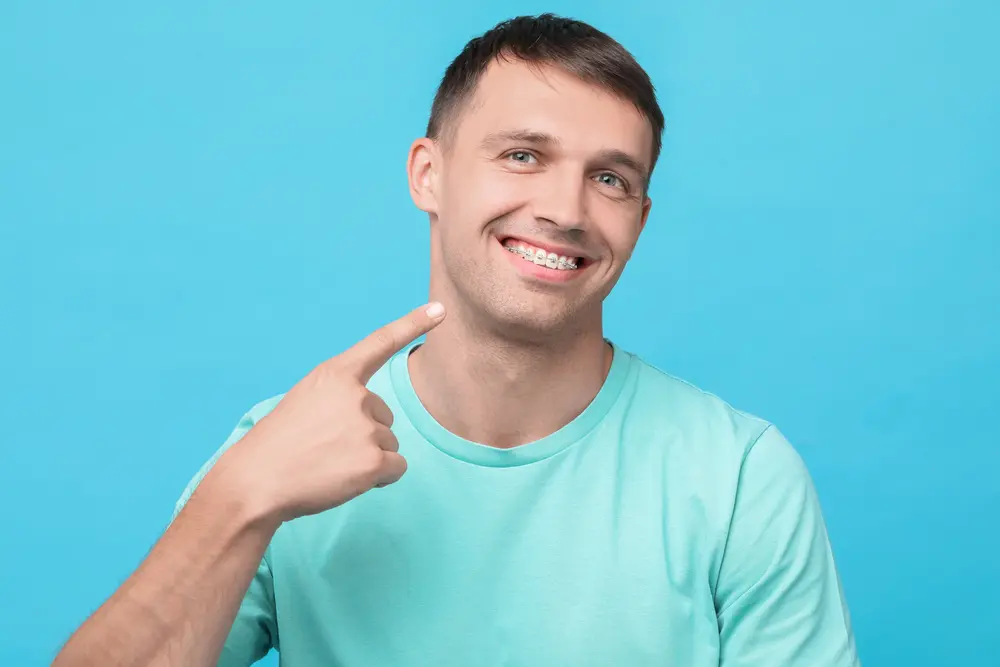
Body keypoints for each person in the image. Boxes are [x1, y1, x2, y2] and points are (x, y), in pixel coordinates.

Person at [53, 13, 859, 667]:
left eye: (610, 178)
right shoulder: (284, 449)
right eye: (522, 155)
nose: (567, 209)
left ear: (640, 219)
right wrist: (241, 498)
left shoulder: (740, 478)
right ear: (427, 175)